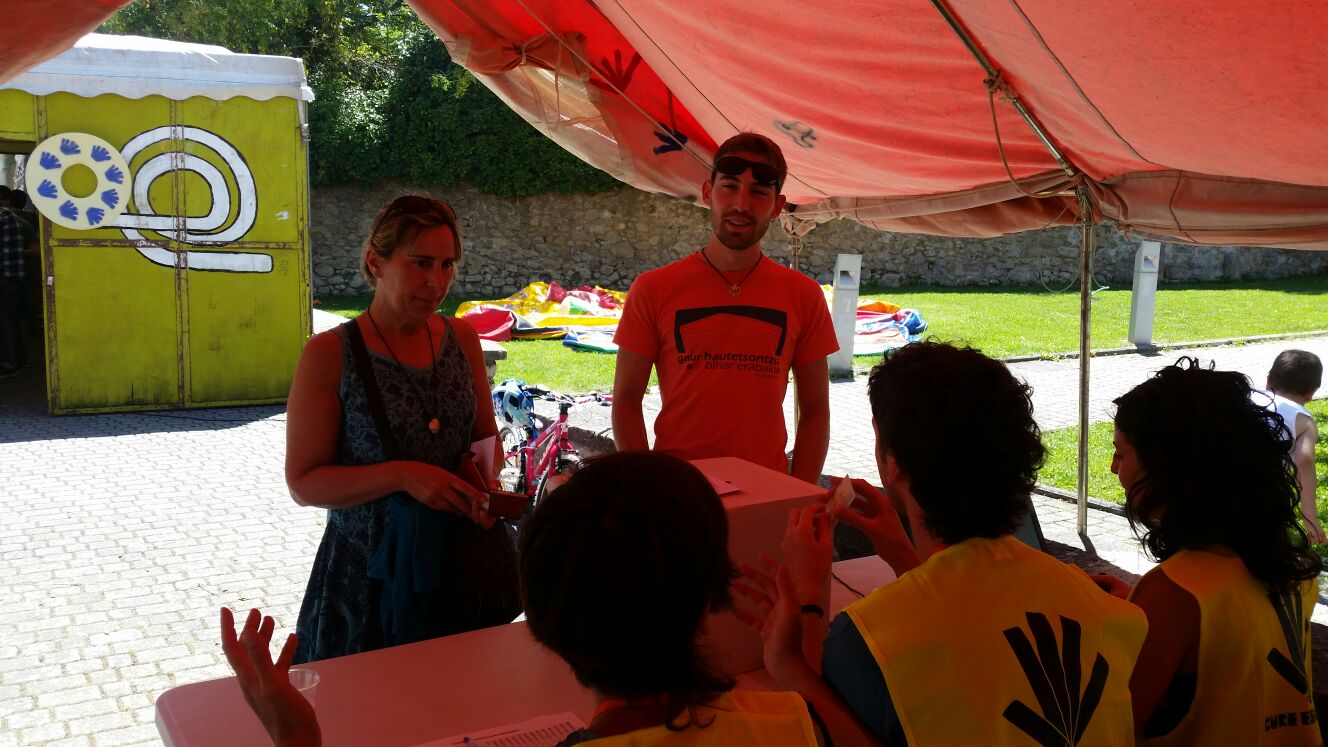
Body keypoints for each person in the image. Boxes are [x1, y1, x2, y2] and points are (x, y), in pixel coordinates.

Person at [222, 452, 869, 746]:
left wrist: (296, 737)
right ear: (712, 593)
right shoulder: (789, 724)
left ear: (544, 618)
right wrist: (796, 649)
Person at [743, 341, 1147, 745]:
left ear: (892, 461)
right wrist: (902, 553)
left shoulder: (872, 642)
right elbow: (975, 621)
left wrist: (807, 602)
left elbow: (827, 725)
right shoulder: (1100, 605)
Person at [285, 195, 517, 663]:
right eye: (421, 263)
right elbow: (304, 483)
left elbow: (482, 436)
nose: (437, 281)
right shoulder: (331, 354)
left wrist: (483, 487)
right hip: (369, 577)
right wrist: (403, 475)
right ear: (377, 262)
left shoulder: (463, 339)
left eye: (447, 264)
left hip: (457, 568)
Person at [1113, 358, 1321, 745]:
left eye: (1121, 455)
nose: (1113, 469)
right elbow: (1230, 642)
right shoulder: (1292, 568)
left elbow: (1113, 724)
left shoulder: (1174, 592)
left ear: (1167, 469)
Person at [611, 133, 838, 484]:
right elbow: (626, 399)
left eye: (758, 192)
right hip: (679, 491)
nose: (741, 204)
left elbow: (815, 410)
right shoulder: (653, 289)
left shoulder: (803, 295)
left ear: (777, 207)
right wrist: (643, 488)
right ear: (708, 192)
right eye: (729, 186)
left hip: (767, 490)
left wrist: (801, 495)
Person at [1257, 349, 1324, 544]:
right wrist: (1310, 518)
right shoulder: (1304, 420)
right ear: (1311, 393)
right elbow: (1304, 460)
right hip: (1264, 491)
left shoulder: (1246, 397)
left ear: (1268, 379)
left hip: (1215, 478)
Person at [0, 200, 24, 378]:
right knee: (10, 319)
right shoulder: (7, 214)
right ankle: (18, 359)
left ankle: (9, 364)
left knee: (4, 322)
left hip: (4, 276)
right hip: (10, 276)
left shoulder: (3, 215)